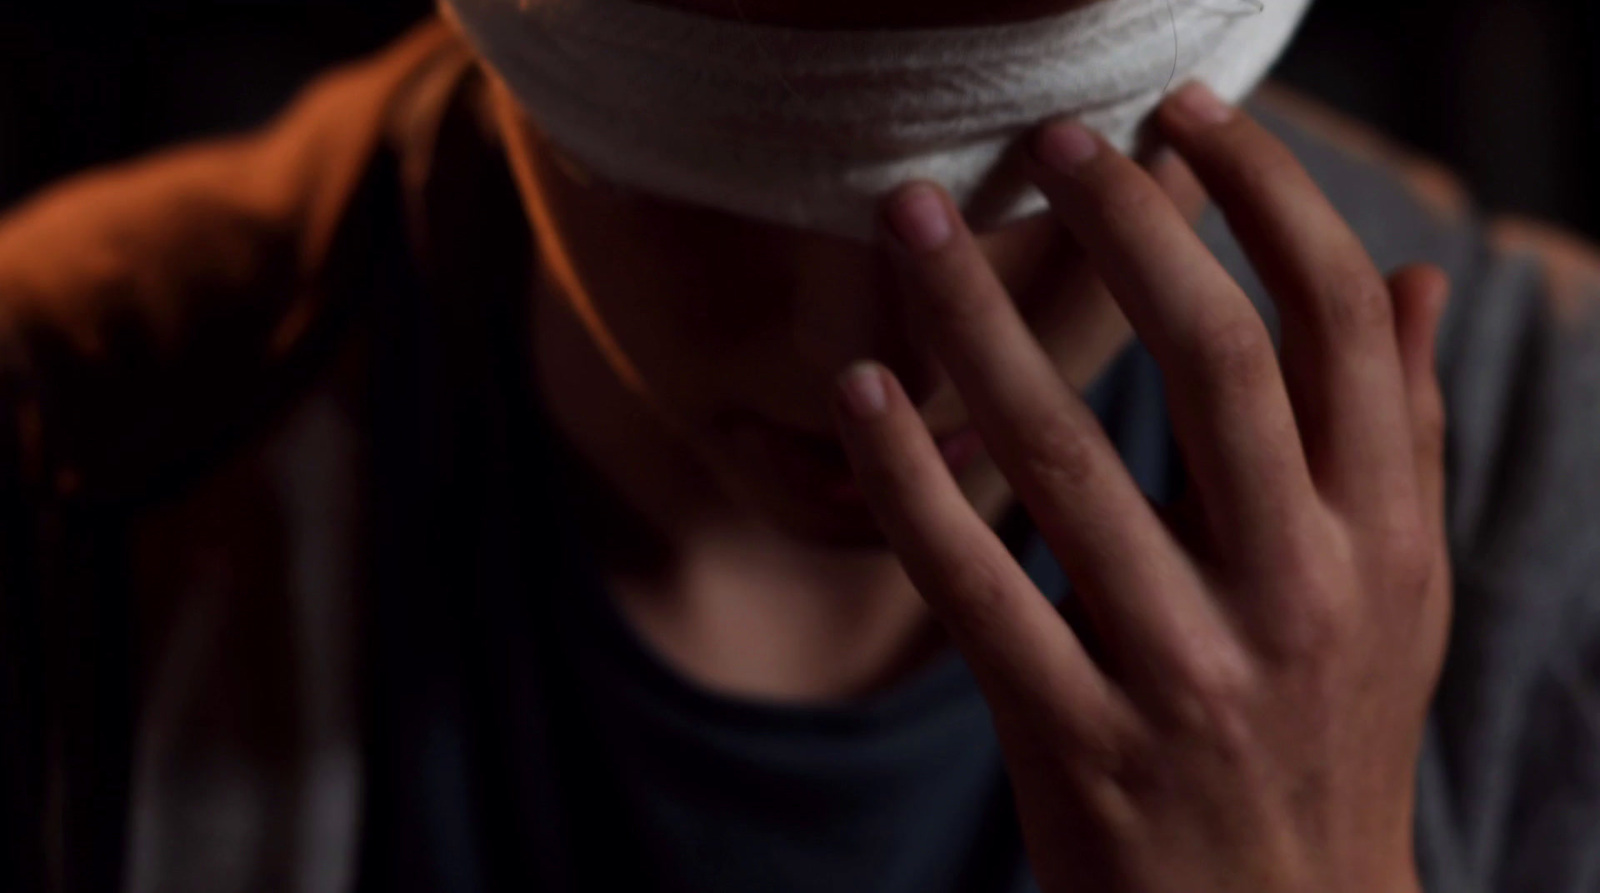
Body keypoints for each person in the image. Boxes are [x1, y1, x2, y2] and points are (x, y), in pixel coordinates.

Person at [1, 0, 1596, 891]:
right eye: (709, 176)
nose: (869, 352)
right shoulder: (63, 425)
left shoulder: (1566, 505)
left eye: (1033, 166)